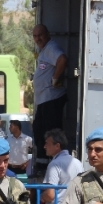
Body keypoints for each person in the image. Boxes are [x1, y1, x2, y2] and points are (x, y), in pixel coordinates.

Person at [31, 24, 68, 176]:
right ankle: (42, 164)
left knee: (49, 134)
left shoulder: (51, 47)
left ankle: (50, 166)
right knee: (39, 131)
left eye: (40, 35)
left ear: (47, 34)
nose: (38, 38)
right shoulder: (43, 52)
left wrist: (55, 78)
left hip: (51, 99)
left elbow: (62, 60)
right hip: (44, 100)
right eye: (35, 36)